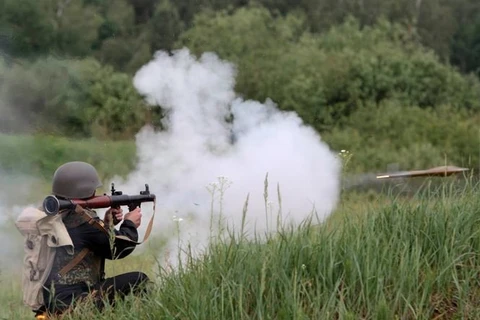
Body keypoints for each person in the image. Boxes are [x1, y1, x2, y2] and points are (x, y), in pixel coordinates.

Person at [39, 161, 149, 317]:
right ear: (85, 190)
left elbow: (95, 241)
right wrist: (130, 223)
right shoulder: (82, 220)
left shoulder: (56, 215)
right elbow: (118, 249)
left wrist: (108, 223)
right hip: (73, 303)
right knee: (139, 279)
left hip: (53, 300)